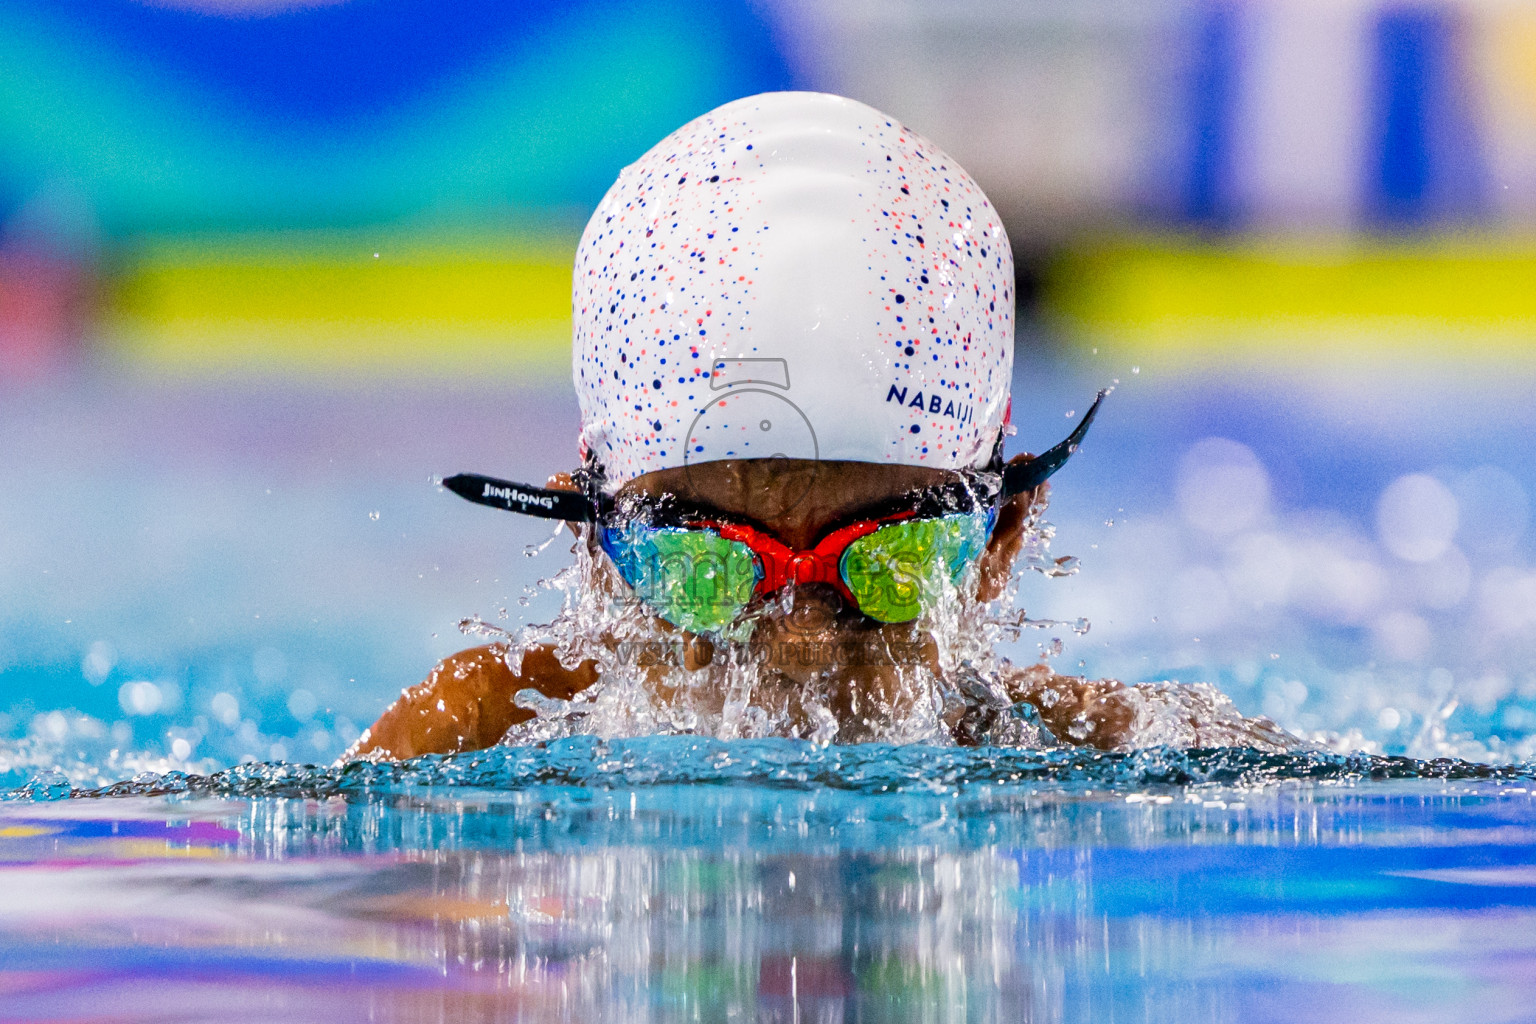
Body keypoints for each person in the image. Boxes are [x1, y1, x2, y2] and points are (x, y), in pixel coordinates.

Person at [348, 92, 1291, 761]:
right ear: (596, 550)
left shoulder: (1106, 759)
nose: (799, 648)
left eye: (888, 562)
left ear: (1002, 537)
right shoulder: (469, 740)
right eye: (706, 568)